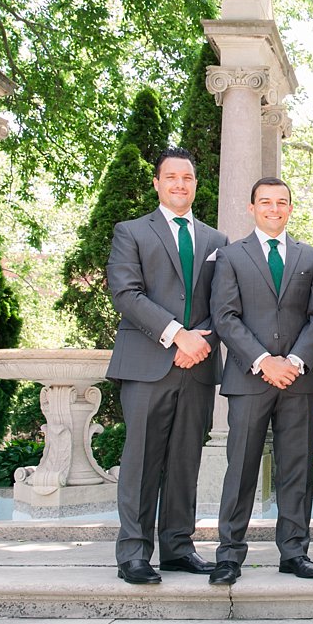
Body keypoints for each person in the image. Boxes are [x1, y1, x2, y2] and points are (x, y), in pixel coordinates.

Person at [105, 147, 227, 584]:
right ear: (157, 183)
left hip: (198, 364)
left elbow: (224, 303)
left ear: (196, 184)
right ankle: (134, 553)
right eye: (171, 177)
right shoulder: (132, 232)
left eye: (187, 178)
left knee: (184, 459)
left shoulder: (216, 241)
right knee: (140, 458)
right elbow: (126, 293)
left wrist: (199, 341)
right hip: (147, 362)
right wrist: (177, 334)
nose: (180, 184)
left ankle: (178, 547)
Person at [207, 177, 313, 586]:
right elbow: (225, 317)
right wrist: (264, 362)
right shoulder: (229, 257)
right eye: (265, 202)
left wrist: (293, 361)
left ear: (290, 208)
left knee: (296, 469)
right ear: (252, 207)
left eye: (282, 202)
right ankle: (228, 555)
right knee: (241, 467)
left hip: (297, 380)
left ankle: (294, 552)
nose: (274, 208)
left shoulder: (311, 258)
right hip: (249, 378)